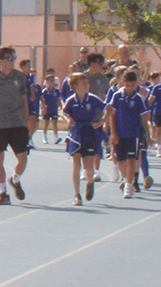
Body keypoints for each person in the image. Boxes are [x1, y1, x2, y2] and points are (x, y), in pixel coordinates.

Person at [0, 46, 33, 205]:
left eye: (14, 57)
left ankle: (15, 179)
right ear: (0, 61)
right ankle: (3, 192)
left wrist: (27, 120)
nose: (13, 61)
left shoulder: (20, 77)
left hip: (17, 122)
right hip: (0, 123)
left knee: (23, 157)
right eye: (10, 58)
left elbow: (24, 100)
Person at [104, 68, 151, 199]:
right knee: (120, 160)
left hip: (133, 134)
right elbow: (112, 114)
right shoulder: (117, 96)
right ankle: (125, 179)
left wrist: (148, 135)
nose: (130, 88)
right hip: (120, 133)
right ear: (123, 82)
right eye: (128, 85)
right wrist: (113, 132)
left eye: (133, 85)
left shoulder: (138, 99)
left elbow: (143, 118)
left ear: (136, 83)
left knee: (131, 159)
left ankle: (129, 185)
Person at [62, 72, 104, 204]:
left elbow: (109, 108)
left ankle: (90, 182)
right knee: (76, 163)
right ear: (75, 86)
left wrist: (102, 122)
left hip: (89, 133)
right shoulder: (71, 101)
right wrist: (68, 119)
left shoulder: (92, 99)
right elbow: (64, 112)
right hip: (76, 134)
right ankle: (76, 194)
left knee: (89, 162)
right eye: (84, 83)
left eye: (88, 83)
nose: (87, 85)